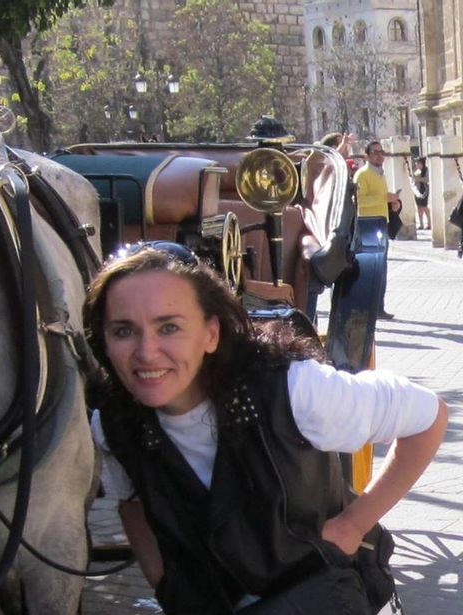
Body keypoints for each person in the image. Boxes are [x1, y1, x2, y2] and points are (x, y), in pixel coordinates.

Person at [84, 241, 447, 615]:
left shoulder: (292, 390)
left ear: (211, 333)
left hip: (314, 599)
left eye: (169, 327)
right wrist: (164, 580)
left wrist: (353, 525)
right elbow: (133, 503)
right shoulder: (114, 423)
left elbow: (429, 417)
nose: (146, 352)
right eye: (124, 331)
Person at [353, 141, 402, 320]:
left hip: (381, 222)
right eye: (375, 152)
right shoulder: (362, 175)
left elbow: (379, 199)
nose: (380, 155)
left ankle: (379, 307)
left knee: (381, 267)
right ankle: (369, 307)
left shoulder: (380, 174)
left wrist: (392, 204)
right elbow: (360, 200)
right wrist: (384, 197)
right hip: (367, 224)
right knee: (370, 268)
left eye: (382, 152)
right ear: (366, 155)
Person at [412, 156, 430, 230]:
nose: (416, 165)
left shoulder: (426, 170)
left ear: (422, 164)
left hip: (424, 190)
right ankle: (421, 224)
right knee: (419, 207)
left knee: (424, 207)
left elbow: (427, 179)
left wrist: (419, 179)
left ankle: (429, 223)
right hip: (417, 190)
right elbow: (413, 179)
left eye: (418, 163)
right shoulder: (416, 171)